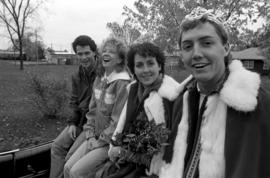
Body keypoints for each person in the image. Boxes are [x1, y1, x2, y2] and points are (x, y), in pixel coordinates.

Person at [160, 7, 270, 178]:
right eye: (187, 46)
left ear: (225, 48)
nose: (196, 54)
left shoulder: (256, 102)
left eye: (207, 43)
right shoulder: (182, 100)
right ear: (181, 55)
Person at [99, 42, 181, 178]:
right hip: (126, 160)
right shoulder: (134, 89)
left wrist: (124, 153)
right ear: (133, 69)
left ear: (159, 65)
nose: (145, 70)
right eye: (139, 65)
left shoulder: (171, 97)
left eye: (150, 63)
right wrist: (114, 148)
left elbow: (165, 153)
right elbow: (122, 124)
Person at [63, 37, 131, 178]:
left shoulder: (122, 83)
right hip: (93, 137)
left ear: (119, 59)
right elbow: (92, 111)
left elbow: (117, 121)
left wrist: (100, 141)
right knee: (67, 167)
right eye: (104, 51)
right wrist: (89, 134)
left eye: (111, 52)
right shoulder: (100, 79)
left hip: (109, 142)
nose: (106, 53)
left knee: (76, 172)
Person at [50, 35, 100, 178]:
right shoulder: (77, 75)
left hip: (93, 124)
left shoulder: (103, 73)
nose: (83, 57)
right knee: (57, 146)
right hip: (79, 121)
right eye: (80, 54)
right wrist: (72, 123)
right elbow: (74, 101)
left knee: (70, 158)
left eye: (87, 53)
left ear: (94, 52)